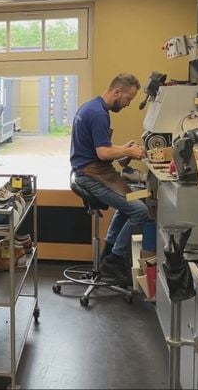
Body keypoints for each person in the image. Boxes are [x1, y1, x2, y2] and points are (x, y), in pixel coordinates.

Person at [70, 73, 151, 285]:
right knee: (141, 211)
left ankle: (108, 252)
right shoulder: (99, 114)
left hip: (91, 170)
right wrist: (131, 153)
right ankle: (114, 261)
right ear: (117, 92)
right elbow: (103, 153)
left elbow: (101, 147)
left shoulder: (90, 107)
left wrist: (125, 149)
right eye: (128, 100)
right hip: (91, 175)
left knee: (137, 199)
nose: (127, 105)